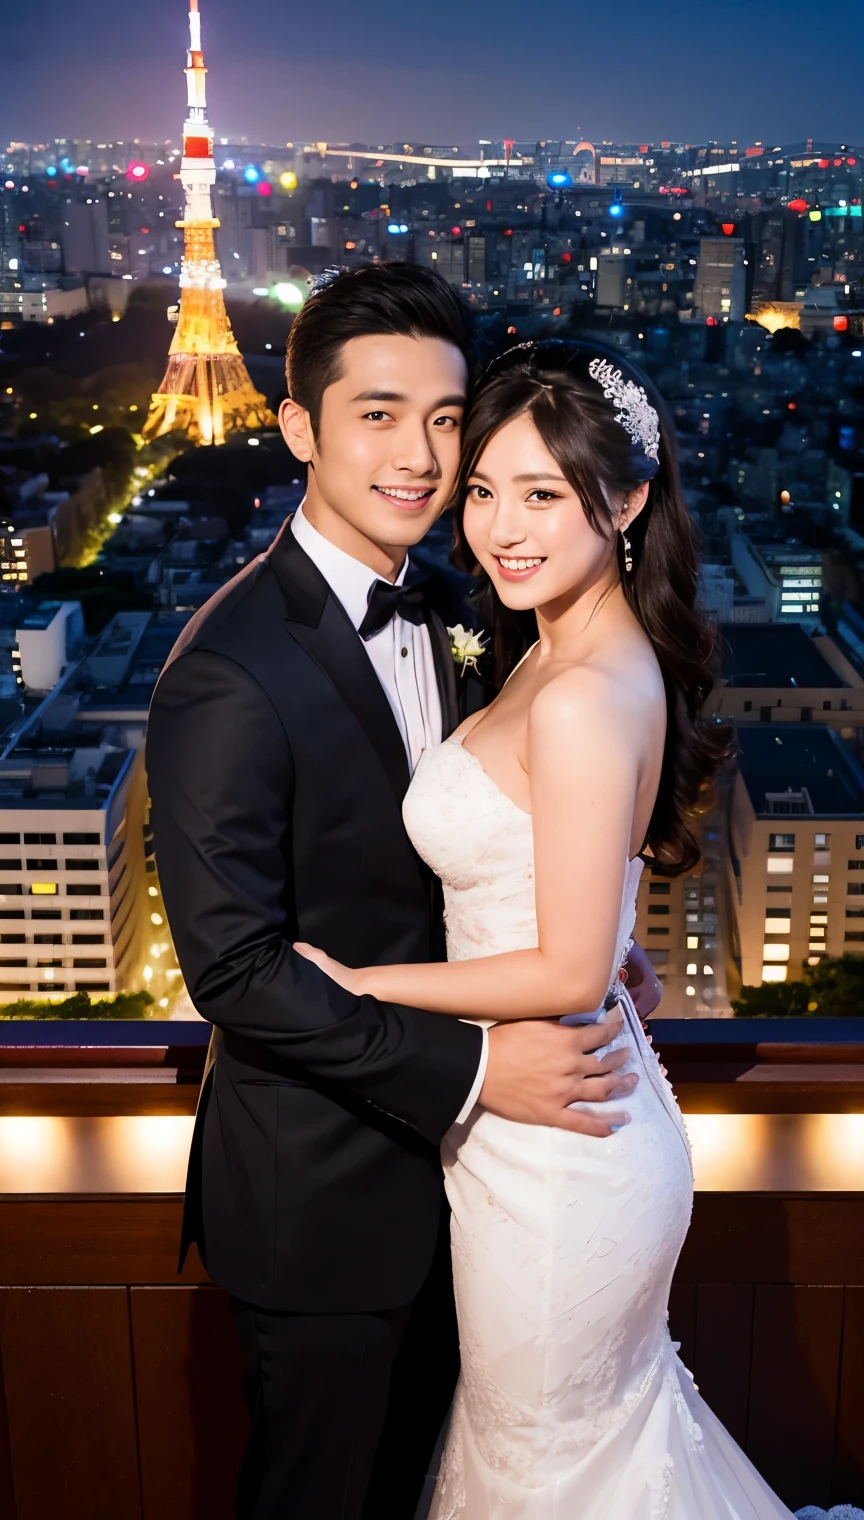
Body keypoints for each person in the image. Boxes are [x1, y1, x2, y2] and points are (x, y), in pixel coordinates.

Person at [145, 268, 654, 1520]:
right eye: (377, 414)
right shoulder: (227, 669)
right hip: (326, 1200)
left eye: (445, 419)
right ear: (299, 428)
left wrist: (586, 935)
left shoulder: (463, 596)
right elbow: (237, 971)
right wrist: (480, 1072)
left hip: (486, 1191)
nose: (423, 457)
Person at [297, 339, 797, 1518]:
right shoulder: (568, 649)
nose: (499, 528)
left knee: (546, 1465)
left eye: (542, 494)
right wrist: (614, 946)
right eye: (482, 490)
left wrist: (359, 984)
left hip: (565, 1161)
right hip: (555, 1122)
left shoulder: (575, 686)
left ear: (624, 502)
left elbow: (566, 964)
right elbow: (573, 908)